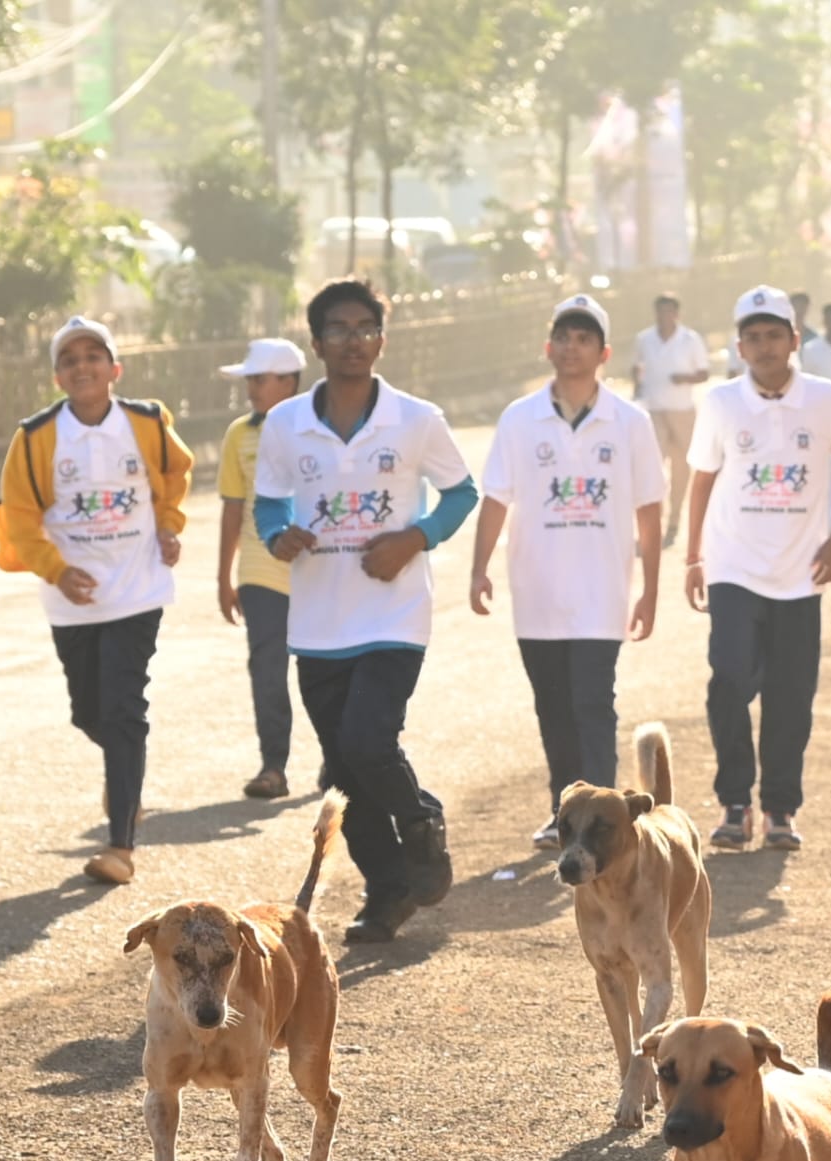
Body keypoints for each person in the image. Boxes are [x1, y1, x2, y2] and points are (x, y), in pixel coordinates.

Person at [254, 279, 477, 944]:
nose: (352, 340)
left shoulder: (415, 418)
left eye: (364, 328)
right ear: (316, 342)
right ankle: (386, 891)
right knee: (343, 771)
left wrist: (414, 538)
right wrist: (279, 534)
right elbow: (268, 502)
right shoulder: (286, 422)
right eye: (338, 329)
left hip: (393, 614)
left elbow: (462, 494)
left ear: (382, 338)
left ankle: (420, 821)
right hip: (319, 623)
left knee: (366, 742)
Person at [0, 315, 192, 886]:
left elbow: (174, 477)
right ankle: (121, 766)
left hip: (137, 589)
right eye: (70, 360)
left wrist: (169, 526)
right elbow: (21, 518)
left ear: (114, 369)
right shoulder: (36, 439)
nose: (83, 366)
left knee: (124, 711)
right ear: (58, 377)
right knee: (90, 712)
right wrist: (57, 570)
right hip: (72, 599)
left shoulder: (148, 423)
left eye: (93, 356)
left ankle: (121, 847)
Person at [473, 294, 664, 849]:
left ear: (604, 352)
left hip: (602, 592)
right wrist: (479, 568)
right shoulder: (519, 418)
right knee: (553, 707)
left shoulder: (630, 422)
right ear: (547, 347)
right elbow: (496, 497)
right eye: (564, 336)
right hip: (537, 592)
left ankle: (605, 821)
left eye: (584, 339)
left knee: (591, 703)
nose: (572, 347)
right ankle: (564, 813)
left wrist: (650, 590)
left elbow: (649, 509)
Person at [683, 284, 831, 852]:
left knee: (791, 694)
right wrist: (693, 556)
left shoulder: (825, 399)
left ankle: (780, 809)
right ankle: (734, 804)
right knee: (730, 681)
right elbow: (702, 479)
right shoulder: (720, 403)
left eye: (774, 336)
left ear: (794, 340)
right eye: (753, 338)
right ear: (740, 347)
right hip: (734, 568)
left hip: (800, 573)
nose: (764, 348)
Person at [217, 337, 308, 801]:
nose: (251, 388)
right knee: (267, 669)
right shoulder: (240, 434)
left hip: (320, 571)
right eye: (250, 379)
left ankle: (338, 763)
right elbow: (234, 507)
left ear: (288, 381)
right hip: (259, 569)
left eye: (259, 379)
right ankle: (273, 766)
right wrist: (223, 576)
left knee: (323, 670)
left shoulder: (321, 427)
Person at [630, 292, 708, 547]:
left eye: (669, 311)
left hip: (682, 409)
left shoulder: (690, 339)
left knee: (681, 469)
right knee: (653, 467)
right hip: (654, 410)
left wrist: (684, 378)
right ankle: (653, 523)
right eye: (660, 311)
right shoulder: (644, 339)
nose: (664, 316)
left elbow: (704, 373)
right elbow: (636, 367)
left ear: (676, 313)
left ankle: (674, 520)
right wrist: (637, 387)